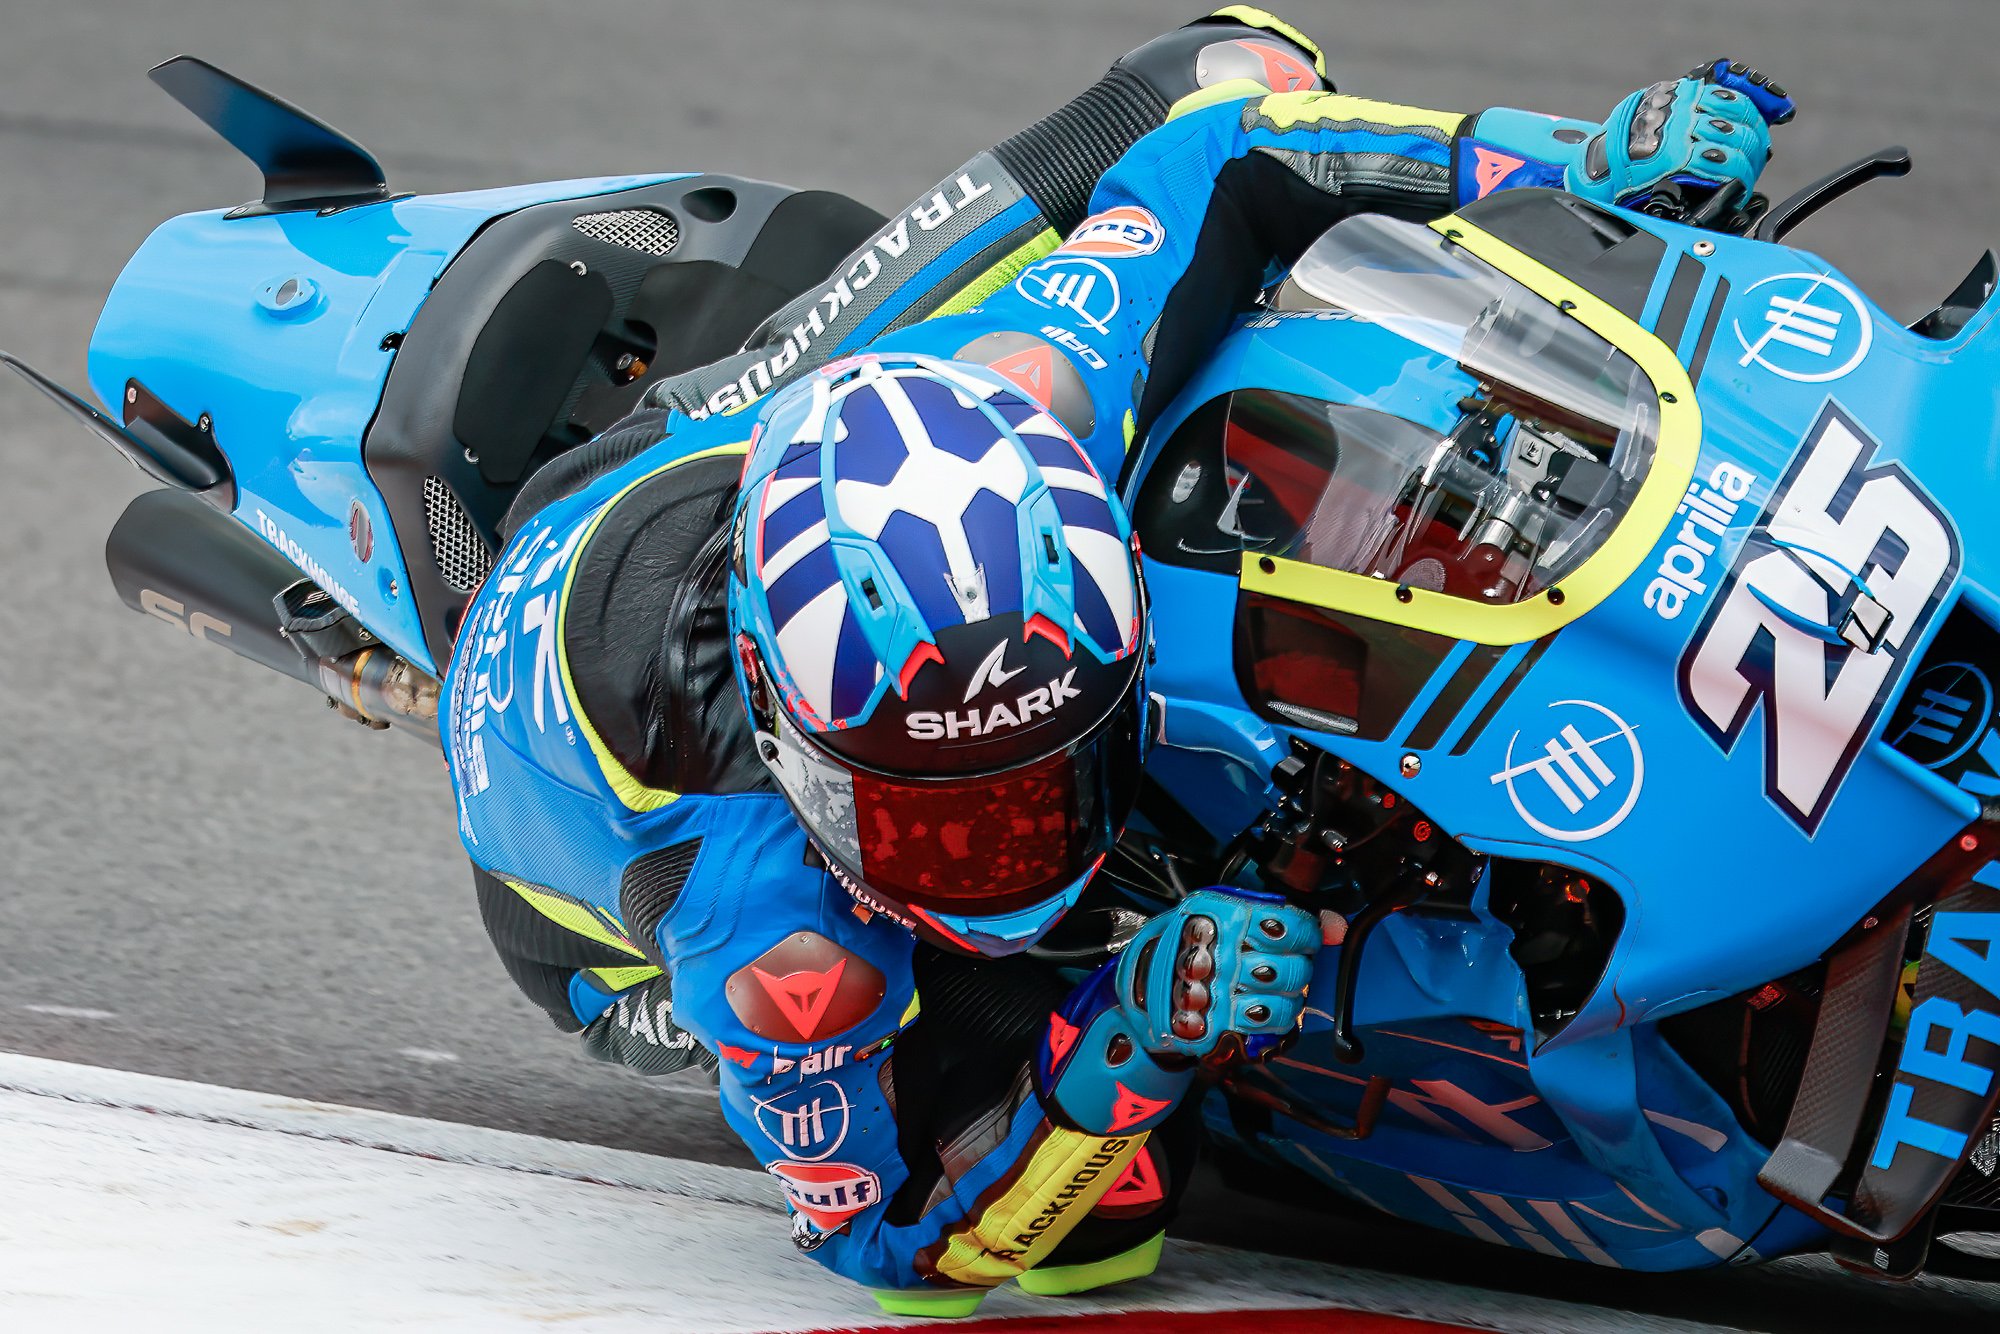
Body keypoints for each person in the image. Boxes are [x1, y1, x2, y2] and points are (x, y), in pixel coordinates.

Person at [441, 10, 1794, 1317]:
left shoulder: (1036, 393)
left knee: (1229, 66)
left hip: (734, 441)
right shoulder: (779, 943)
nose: (1017, 853)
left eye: (1042, 776)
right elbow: (888, 1247)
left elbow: (1225, 155)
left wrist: (1567, 155)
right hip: (578, 895)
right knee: (1104, 1218)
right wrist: (1129, 1043)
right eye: (940, 819)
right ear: (797, 747)